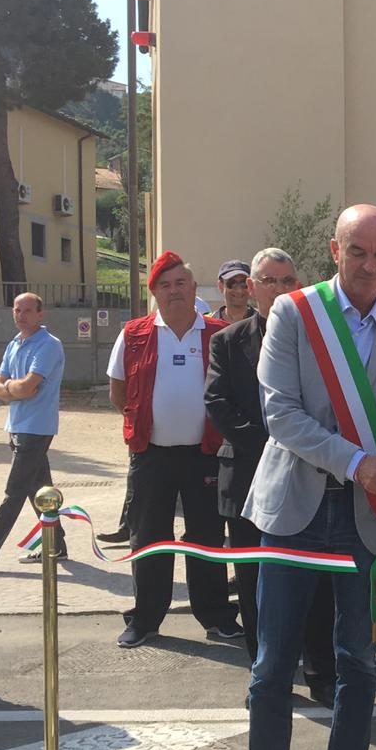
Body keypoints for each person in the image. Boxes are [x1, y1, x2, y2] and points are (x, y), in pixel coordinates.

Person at [220, 206, 376, 750]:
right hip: (296, 507)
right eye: (357, 252)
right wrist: (354, 462)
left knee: (358, 663)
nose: (370, 266)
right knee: (270, 665)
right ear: (335, 251)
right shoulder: (295, 313)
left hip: (367, 518)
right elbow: (277, 411)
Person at [203, 248, 336, 695]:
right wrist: (278, 442)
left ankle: (321, 673)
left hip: (309, 475)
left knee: (315, 581)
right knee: (254, 580)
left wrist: (301, 444)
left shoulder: (321, 340)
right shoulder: (228, 339)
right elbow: (217, 404)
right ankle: (266, 677)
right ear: (251, 288)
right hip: (246, 477)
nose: (280, 290)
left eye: (288, 280)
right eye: (269, 281)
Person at [108, 251, 243, 648]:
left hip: (206, 455)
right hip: (151, 456)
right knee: (148, 537)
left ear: (193, 287)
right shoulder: (133, 334)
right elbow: (119, 391)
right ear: (155, 294)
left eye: (181, 283)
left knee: (206, 538)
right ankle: (146, 618)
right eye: (164, 285)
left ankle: (217, 617)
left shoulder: (218, 333)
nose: (174, 291)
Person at [0, 292, 68, 569]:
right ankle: (57, 546)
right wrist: (11, 389)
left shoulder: (49, 345)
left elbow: (29, 387)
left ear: (40, 315)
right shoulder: (14, 344)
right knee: (38, 490)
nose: (21, 315)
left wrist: (11, 389)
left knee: (14, 492)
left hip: (36, 428)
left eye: (28, 311)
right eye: (17, 310)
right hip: (16, 426)